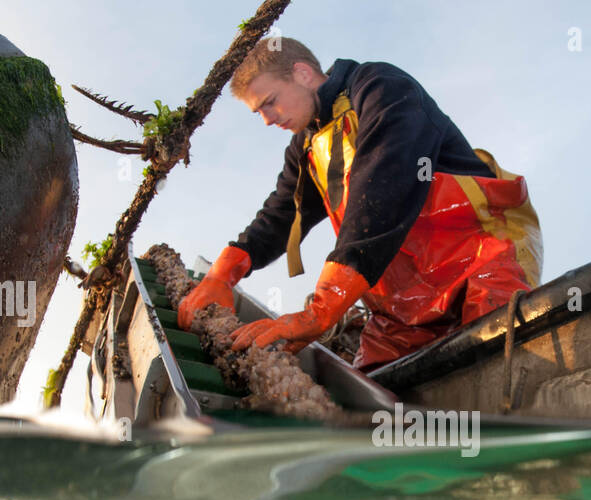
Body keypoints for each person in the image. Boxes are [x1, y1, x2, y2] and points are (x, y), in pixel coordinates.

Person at [177, 37, 542, 371]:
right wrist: (221, 274)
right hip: (398, 306)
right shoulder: (304, 148)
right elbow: (279, 216)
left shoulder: (380, 86)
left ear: (303, 74)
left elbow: (386, 183)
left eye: (269, 102)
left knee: (494, 360)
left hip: (479, 261)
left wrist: (321, 311)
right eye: (258, 112)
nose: (268, 120)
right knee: (368, 395)